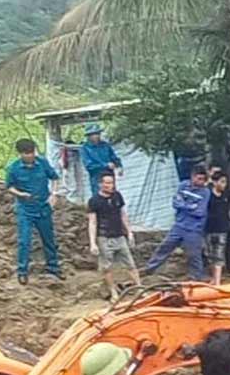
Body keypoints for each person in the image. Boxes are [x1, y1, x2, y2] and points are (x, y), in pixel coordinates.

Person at [4, 138, 64, 285]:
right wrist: (19, 194)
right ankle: (22, 271)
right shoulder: (14, 168)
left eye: (32, 152)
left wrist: (54, 194)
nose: (30, 156)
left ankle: (53, 267)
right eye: (26, 153)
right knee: (24, 240)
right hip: (25, 208)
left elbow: (55, 177)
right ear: (20, 154)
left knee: (48, 238)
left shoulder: (42, 163)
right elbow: (9, 186)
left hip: (43, 206)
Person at [143, 164, 211, 282]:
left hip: (194, 229)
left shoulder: (205, 192)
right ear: (192, 177)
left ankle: (197, 277)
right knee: (164, 247)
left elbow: (200, 211)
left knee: (194, 254)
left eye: (203, 179)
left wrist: (184, 205)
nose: (200, 182)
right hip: (179, 225)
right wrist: (190, 206)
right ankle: (149, 269)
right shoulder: (183, 185)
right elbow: (175, 203)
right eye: (198, 179)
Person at [87, 170, 141, 301]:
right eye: (107, 183)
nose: (110, 185)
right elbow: (92, 222)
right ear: (101, 184)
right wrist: (93, 243)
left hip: (119, 236)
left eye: (112, 183)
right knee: (107, 267)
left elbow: (123, 215)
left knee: (130, 264)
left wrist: (129, 232)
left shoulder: (117, 196)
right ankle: (113, 292)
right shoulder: (94, 201)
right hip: (104, 237)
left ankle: (140, 289)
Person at [204, 171, 230, 286]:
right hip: (208, 228)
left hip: (222, 228)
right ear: (214, 182)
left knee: (219, 254)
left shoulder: (228, 194)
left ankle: (217, 281)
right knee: (210, 255)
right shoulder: (206, 194)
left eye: (225, 182)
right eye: (222, 182)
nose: (224, 185)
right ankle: (214, 278)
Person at [80, 123, 123, 190]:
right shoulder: (85, 148)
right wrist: (105, 165)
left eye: (98, 133)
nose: (97, 136)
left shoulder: (105, 145)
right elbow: (89, 166)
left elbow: (114, 157)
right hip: (97, 179)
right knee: (99, 198)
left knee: (112, 196)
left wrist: (119, 166)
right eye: (94, 134)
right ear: (89, 136)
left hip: (110, 177)